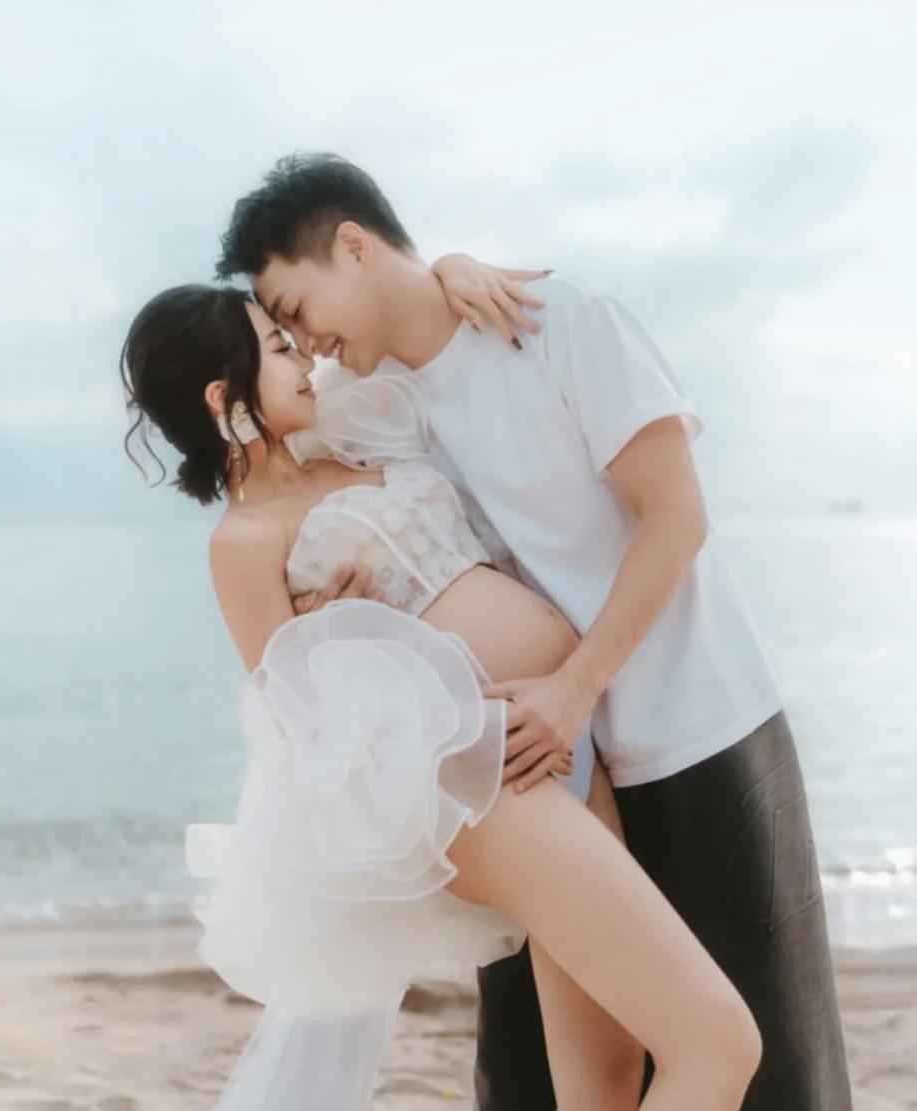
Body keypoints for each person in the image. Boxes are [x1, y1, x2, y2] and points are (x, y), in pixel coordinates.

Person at [213, 151, 854, 1111]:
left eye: (297, 310)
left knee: (768, 1074)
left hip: (692, 736)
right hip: (528, 772)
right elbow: (275, 497)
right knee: (536, 1085)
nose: (306, 344)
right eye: (285, 333)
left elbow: (675, 517)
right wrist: (334, 623)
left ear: (353, 247)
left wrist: (574, 688)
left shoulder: (557, 323)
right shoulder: (368, 404)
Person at [120, 274, 761, 1110]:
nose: (305, 359)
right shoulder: (244, 542)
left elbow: (393, 312)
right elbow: (304, 734)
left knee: (604, 1078)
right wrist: (340, 637)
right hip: (479, 786)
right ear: (222, 396)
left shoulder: (353, 432)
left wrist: (451, 267)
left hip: (556, 741)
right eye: (278, 349)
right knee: (718, 1043)